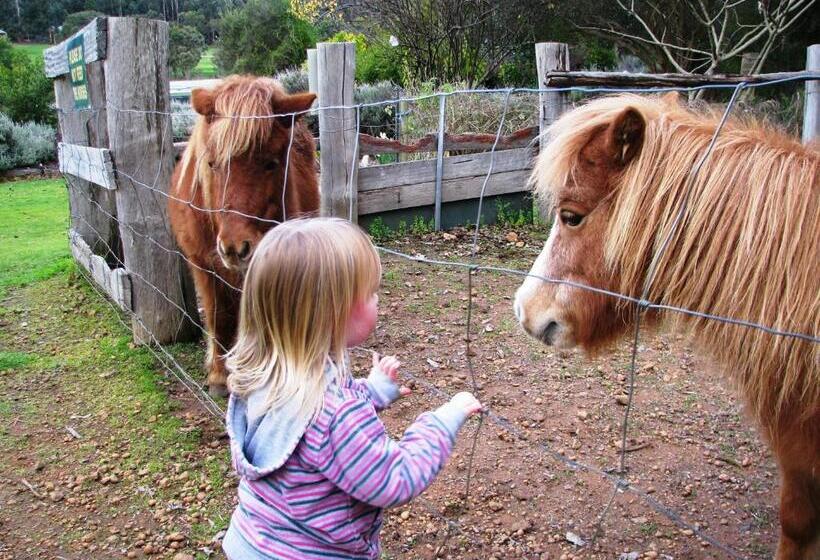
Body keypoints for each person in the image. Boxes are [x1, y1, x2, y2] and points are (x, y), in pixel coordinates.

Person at [221, 217, 483, 560]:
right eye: (371, 292)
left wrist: (371, 391)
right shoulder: (334, 415)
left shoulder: (263, 379)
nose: (378, 299)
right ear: (333, 311)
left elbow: (319, 414)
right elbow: (395, 478)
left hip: (251, 542)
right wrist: (444, 420)